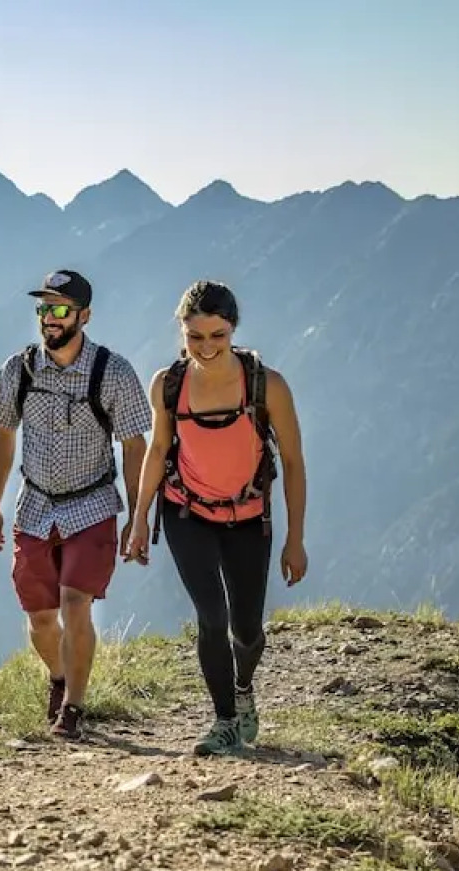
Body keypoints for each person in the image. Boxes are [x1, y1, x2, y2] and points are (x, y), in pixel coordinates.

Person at [124, 280, 308, 756]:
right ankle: (224, 720)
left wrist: (295, 540)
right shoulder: (168, 386)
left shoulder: (267, 386)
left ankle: (243, 687)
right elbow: (158, 450)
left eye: (217, 336)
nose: (206, 347)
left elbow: (293, 462)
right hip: (186, 512)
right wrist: (139, 517)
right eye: (195, 336)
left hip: (249, 518)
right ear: (182, 332)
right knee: (212, 616)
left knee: (246, 630)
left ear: (233, 331)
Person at [0, 269, 152, 739]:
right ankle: (59, 678)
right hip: (35, 506)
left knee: (76, 603)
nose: (50, 318)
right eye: (44, 308)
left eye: (60, 309)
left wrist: (137, 516)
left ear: (85, 315)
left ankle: (74, 708)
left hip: (92, 504)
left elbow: (135, 445)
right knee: (40, 620)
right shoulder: (18, 370)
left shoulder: (113, 372)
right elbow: (3, 434)